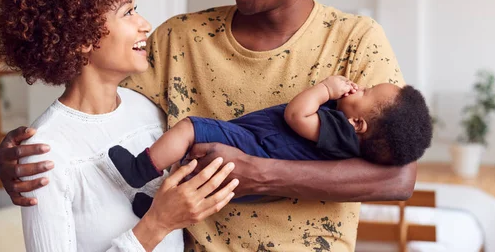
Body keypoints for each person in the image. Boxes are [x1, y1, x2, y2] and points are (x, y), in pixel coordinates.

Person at [0, 0, 417, 251]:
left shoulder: (356, 41)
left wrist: (261, 173)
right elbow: (94, 113)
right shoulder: (179, 38)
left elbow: (398, 178)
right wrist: (20, 150)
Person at [0, 0, 238, 251]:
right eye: (128, 12)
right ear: (81, 38)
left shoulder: (147, 109)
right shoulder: (44, 156)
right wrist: (158, 223)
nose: (145, 24)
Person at [109, 75, 431, 202]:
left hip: (256, 147)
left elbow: (297, 115)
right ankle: (152, 207)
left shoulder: (339, 130)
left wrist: (326, 90)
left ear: (358, 124)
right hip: (256, 163)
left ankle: (142, 168)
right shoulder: (356, 144)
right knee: (198, 184)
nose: (359, 85)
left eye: (367, 91)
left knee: (190, 129)